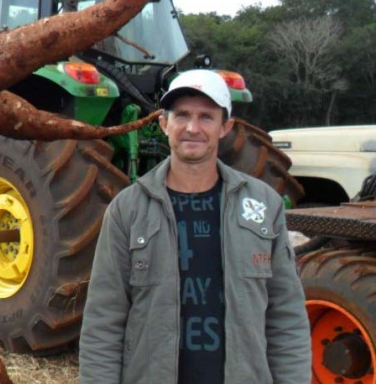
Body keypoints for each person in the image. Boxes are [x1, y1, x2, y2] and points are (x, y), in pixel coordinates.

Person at [78, 69, 310, 384]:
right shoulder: (128, 209)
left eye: (206, 117)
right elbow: (104, 322)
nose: (192, 128)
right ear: (163, 123)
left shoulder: (263, 205)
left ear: (225, 126)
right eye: (182, 115)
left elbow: (286, 316)